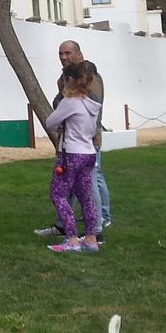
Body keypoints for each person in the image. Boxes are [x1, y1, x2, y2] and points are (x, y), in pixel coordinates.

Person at [35, 40, 111, 240]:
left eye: (67, 53)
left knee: (88, 186)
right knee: (73, 187)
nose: (63, 56)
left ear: (79, 54)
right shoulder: (65, 79)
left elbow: (84, 107)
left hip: (84, 142)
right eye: (60, 53)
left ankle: (96, 228)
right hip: (72, 142)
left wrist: (64, 106)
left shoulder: (88, 78)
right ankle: (66, 226)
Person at [43, 60, 102, 253]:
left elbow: (50, 122)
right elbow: (92, 129)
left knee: (59, 195)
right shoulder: (92, 103)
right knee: (86, 197)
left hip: (70, 155)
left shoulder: (70, 102)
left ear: (69, 80)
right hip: (88, 153)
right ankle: (91, 238)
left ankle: (72, 238)